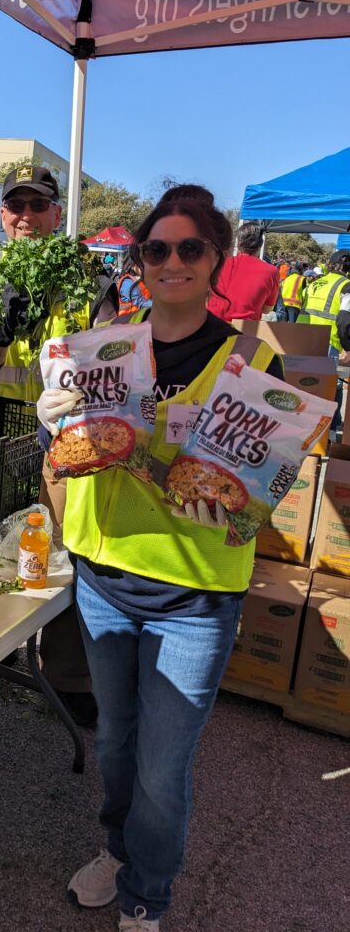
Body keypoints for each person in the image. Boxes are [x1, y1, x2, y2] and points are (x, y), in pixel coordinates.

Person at [36, 188, 284, 931]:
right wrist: (52, 424)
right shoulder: (104, 342)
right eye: (156, 249)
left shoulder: (252, 361)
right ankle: (117, 848)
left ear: (217, 260)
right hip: (105, 578)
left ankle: (147, 892)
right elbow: (75, 447)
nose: (172, 262)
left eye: (190, 248)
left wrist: (238, 506)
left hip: (195, 596)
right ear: (139, 261)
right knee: (115, 741)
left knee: (162, 763)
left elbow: (259, 493)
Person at [0, 165, 118, 728]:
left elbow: (113, 362)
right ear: (2, 214)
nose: (26, 217)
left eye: (38, 206)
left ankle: (65, 674)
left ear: (57, 215)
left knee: (64, 551)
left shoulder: (89, 278)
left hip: (62, 442)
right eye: (16, 206)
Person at [297, 249, 350, 433]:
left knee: (307, 385)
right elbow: (344, 320)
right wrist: (347, 347)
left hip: (306, 340)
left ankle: (305, 426)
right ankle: (331, 429)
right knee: (331, 388)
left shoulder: (315, 283)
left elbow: (304, 313)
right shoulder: (346, 285)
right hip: (329, 343)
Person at [207, 222, 279, 321]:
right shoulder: (271, 272)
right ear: (260, 245)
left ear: (239, 243)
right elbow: (267, 309)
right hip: (244, 328)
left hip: (212, 324)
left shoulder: (218, 263)